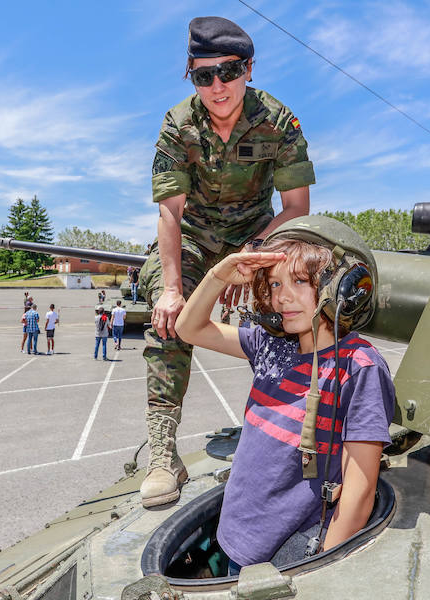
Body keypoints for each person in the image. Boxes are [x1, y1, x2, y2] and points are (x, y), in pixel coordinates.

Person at [138, 16, 315, 507]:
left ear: (250, 70)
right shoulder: (178, 124)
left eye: (229, 71)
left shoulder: (278, 121)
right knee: (167, 320)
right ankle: (162, 452)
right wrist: (173, 289)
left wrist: (252, 254)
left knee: (287, 314)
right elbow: (169, 213)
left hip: (256, 234)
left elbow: (296, 208)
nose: (218, 86)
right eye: (203, 75)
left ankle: (296, 429)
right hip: (191, 236)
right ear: (190, 75)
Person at [174, 216, 393, 571]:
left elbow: (359, 493)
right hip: (235, 537)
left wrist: (318, 570)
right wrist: (219, 275)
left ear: (338, 288)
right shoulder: (271, 345)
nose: (281, 297)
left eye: (299, 281)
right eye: (274, 283)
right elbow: (189, 328)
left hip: (281, 560)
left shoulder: (359, 366)